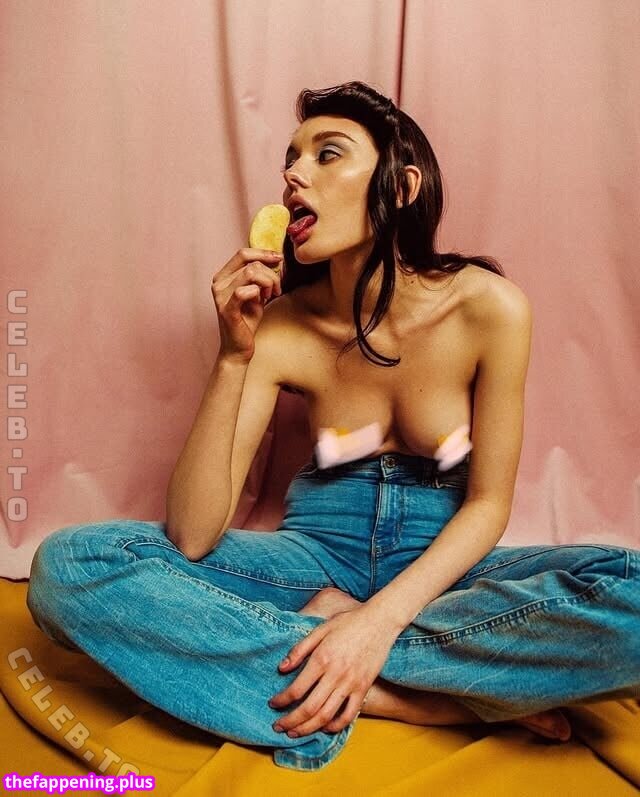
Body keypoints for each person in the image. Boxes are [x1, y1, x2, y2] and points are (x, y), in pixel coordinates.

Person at [27, 81, 640, 772]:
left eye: (327, 154)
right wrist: (233, 357)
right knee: (70, 567)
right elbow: (193, 534)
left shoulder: (490, 308)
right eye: (291, 159)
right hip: (318, 553)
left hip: (446, 565)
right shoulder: (283, 325)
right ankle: (411, 695)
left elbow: (488, 504)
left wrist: (373, 622)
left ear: (400, 187)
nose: (294, 174)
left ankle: (338, 661)